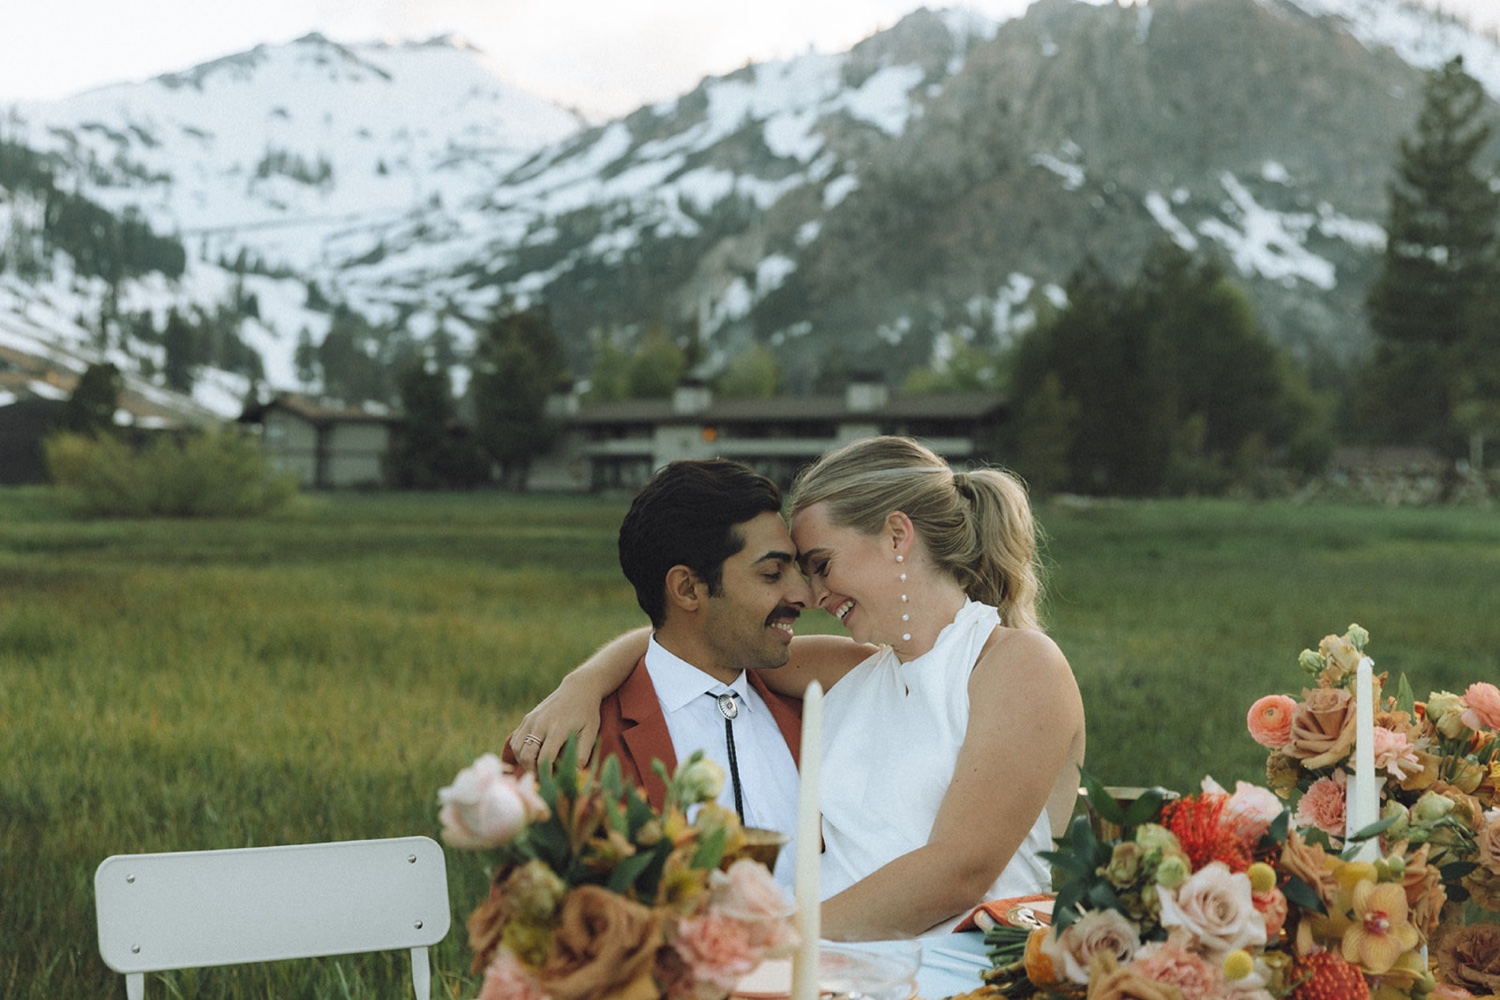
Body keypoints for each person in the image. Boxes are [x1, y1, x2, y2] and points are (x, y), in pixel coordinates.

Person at [509, 437, 1085, 939]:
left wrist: (763, 948)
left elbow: (960, 869)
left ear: (895, 536)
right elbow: (696, 636)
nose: (810, 594)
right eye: (790, 570)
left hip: (945, 965)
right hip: (834, 973)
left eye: (820, 564)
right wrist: (584, 683)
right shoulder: (851, 668)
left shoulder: (1016, 664)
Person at [507, 459, 818, 888]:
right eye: (772, 573)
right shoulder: (566, 749)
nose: (804, 593)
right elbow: (529, 932)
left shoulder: (821, 707)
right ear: (688, 589)